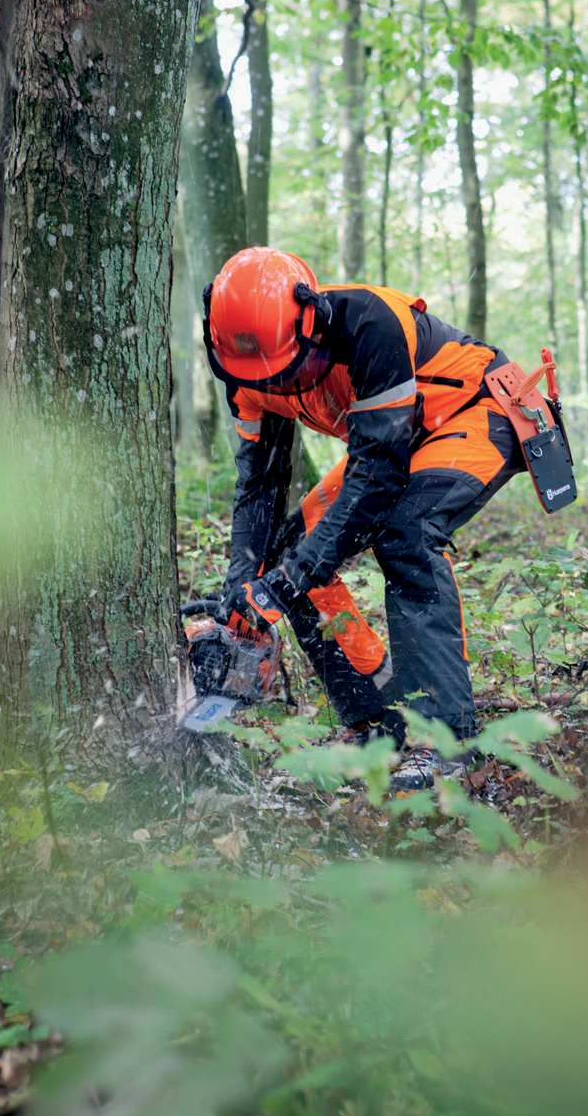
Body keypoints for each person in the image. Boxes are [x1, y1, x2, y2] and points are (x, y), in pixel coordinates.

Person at [202, 248, 528, 789]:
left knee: (408, 532)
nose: (284, 386)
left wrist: (287, 583)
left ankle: (448, 738)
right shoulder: (249, 368)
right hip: (393, 439)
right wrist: (245, 588)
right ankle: (378, 716)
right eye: (271, 380)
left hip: (476, 409)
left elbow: (377, 476)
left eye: (293, 371)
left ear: (311, 323)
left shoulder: (372, 326)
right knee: (290, 554)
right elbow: (259, 484)